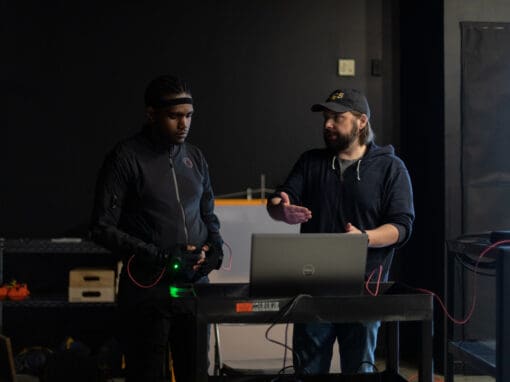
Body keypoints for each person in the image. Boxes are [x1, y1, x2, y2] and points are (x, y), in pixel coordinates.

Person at [267, 88, 414, 375]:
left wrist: (364, 239)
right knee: (308, 373)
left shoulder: (390, 168)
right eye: (325, 118)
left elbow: (402, 227)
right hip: (312, 291)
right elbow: (278, 200)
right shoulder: (310, 162)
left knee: (359, 371)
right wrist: (279, 209)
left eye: (337, 118)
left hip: (364, 293)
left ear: (361, 122)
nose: (327, 125)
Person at [90, 75, 223, 381]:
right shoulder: (125, 157)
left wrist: (214, 248)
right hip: (147, 291)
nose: (184, 125)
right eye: (174, 116)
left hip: (192, 288)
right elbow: (101, 227)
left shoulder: (195, 157)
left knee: (194, 372)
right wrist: (160, 256)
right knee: (147, 374)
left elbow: (208, 215)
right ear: (151, 115)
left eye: (188, 116)